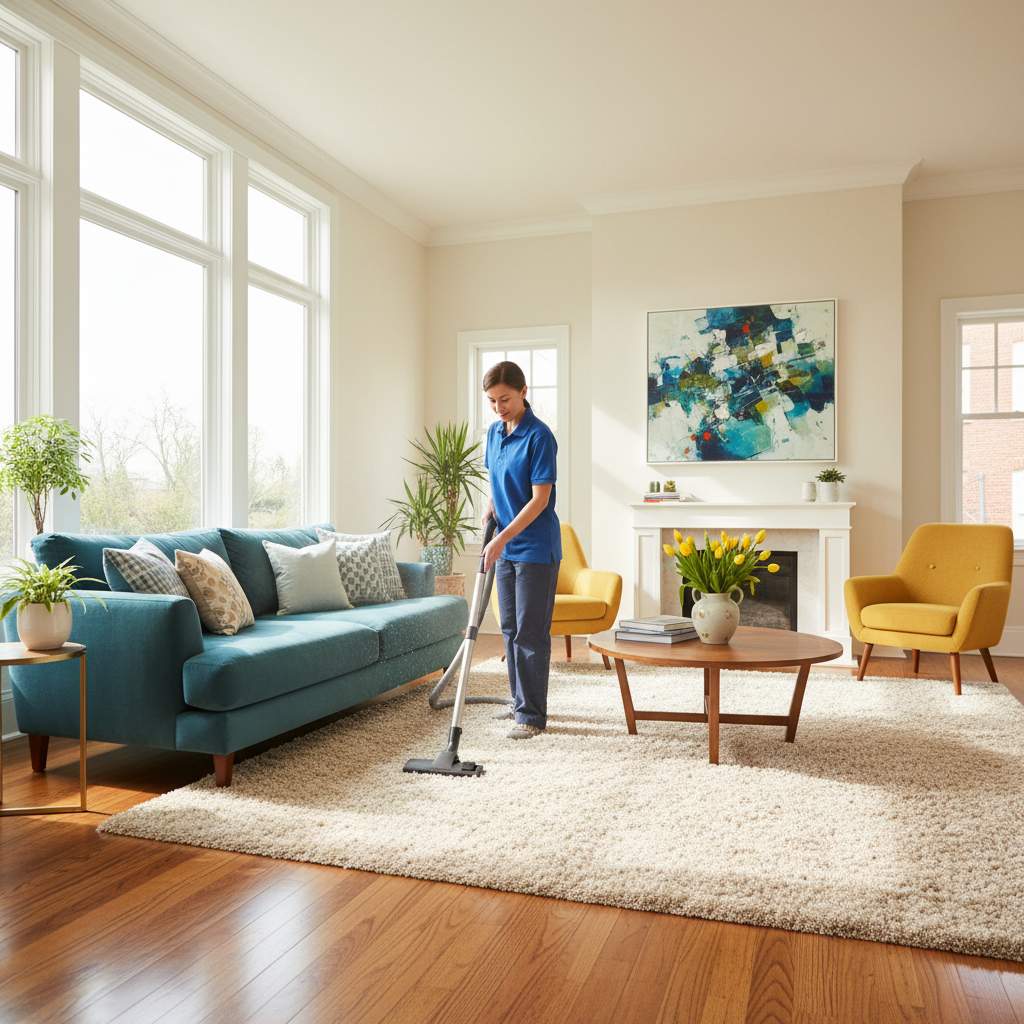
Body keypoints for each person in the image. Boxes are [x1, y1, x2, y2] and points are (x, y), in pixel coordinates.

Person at [481, 361, 561, 740]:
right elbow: (496, 478)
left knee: (530, 632)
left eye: (506, 399)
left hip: (534, 547)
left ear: (524, 391)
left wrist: (501, 538)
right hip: (507, 546)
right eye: (493, 401)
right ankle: (517, 704)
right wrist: (492, 505)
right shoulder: (495, 433)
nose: (499, 408)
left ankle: (531, 717)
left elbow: (539, 500)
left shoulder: (539, 436)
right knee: (510, 629)